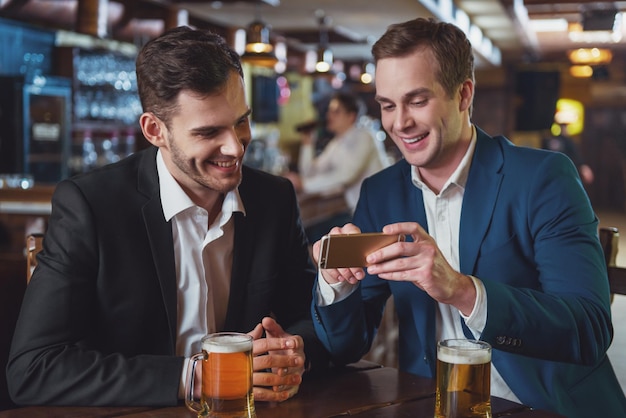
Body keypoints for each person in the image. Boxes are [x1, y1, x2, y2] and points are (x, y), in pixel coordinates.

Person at [310, 17, 626, 418]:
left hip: (543, 405)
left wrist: (462, 290)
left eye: (417, 100)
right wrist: (337, 286)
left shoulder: (544, 178)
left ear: (463, 95)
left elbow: (589, 329)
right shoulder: (381, 192)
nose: (399, 122)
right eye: (388, 105)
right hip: (427, 403)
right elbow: (345, 346)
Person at [7, 26, 329, 407]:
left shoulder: (273, 198)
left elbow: (309, 320)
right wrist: (195, 377)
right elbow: (33, 368)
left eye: (241, 121)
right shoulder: (90, 205)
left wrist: (292, 351)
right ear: (154, 130)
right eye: (209, 132)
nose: (235, 146)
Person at [285, 92, 388, 242]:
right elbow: (310, 171)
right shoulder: (337, 143)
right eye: (329, 111)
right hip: (357, 211)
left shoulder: (364, 137)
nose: (329, 115)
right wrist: (308, 143)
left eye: (336, 111)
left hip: (379, 213)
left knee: (310, 235)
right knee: (305, 232)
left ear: (351, 116)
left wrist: (304, 184)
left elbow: (346, 176)